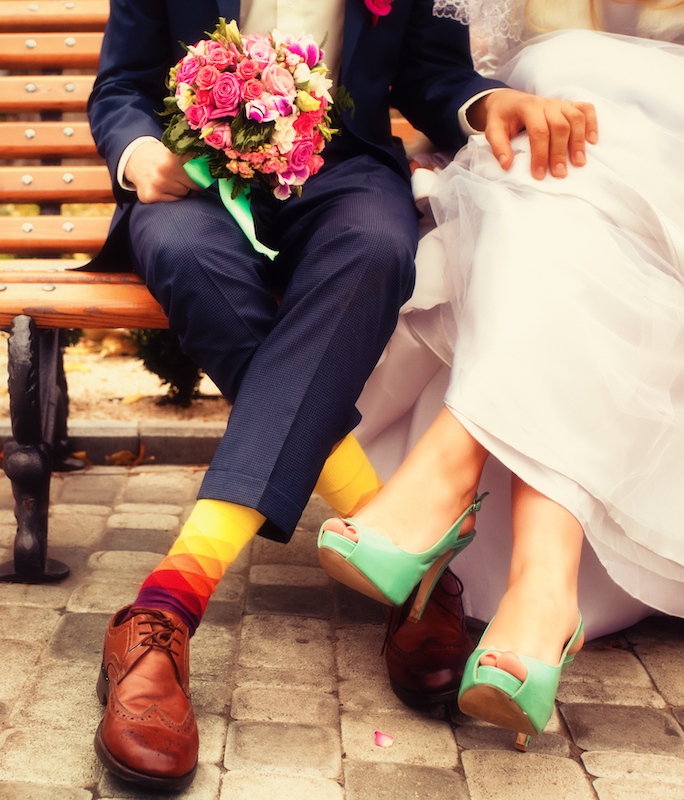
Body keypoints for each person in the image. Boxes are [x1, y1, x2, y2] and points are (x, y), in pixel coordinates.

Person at [85, 0, 595, 789]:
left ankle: (167, 604)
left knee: (378, 247)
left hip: (346, 170)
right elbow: (120, 85)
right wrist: (139, 152)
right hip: (193, 182)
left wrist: (489, 102)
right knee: (187, 259)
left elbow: (430, 72)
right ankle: (401, 553)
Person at [319, 0, 684, 750]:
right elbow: (440, 64)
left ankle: (448, 473)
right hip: (535, 155)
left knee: (569, 101)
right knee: (549, 144)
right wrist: (481, 109)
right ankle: (544, 595)